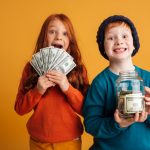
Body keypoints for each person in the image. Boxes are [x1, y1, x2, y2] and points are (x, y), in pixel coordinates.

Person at [15, 13, 89, 150]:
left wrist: (67, 88)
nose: (59, 37)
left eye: (65, 33)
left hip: (70, 141)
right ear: (44, 37)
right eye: (52, 31)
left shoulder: (78, 70)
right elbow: (19, 108)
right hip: (38, 141)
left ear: (70, 41)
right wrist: (38, 90)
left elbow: (87, 109)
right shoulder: (31, 68)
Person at [83, 15, 150, 150]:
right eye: (111, 38)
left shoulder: (147, 78)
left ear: (134, 43)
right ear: (103, 47)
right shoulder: (100, 83)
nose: (119, 41)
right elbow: (91, 124)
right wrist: (117, 124)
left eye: (125, 36)